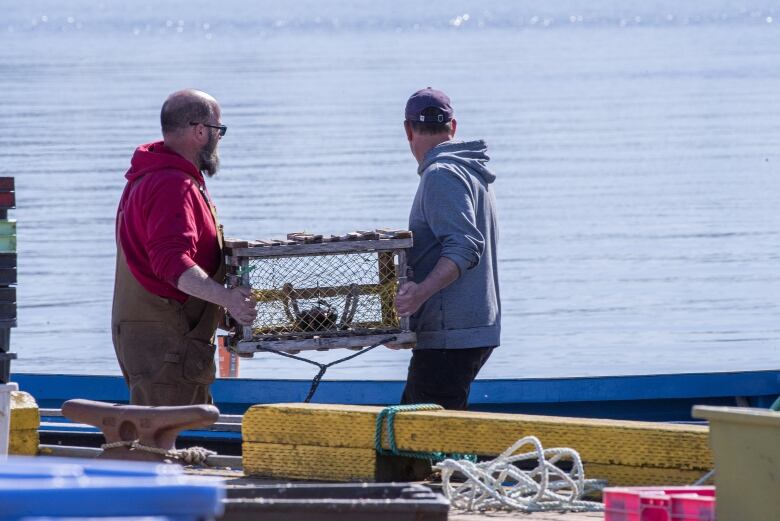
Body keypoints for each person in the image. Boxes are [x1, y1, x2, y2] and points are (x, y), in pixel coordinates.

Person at [112, 89, 256, 406]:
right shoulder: (171, 185)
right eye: (219, 130)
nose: (220, 138)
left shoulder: (149, 175)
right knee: (165, 444)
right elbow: (170, 263)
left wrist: (218, 313)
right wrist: (228, 299)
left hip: (153, 338)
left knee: (160, 437)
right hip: (169, 347)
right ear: (200, 131)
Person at [394, 87, 501, 410]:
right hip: (472, 328)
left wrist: (419, 293)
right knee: (423, 432)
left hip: (451, 336)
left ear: (408, 129)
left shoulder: (441, 174)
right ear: (453, 127)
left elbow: (465, 246)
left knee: (414, 441)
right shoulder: (470, 170)